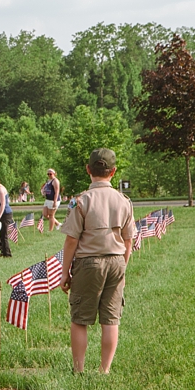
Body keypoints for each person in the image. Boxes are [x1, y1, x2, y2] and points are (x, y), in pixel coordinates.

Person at [59, 148, 135, 374]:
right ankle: (104, 370)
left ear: (88, 169)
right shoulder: (124, 200)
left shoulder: (81, 201)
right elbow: (129, 240)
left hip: (88, 262)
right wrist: (123, 264)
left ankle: (79, 369)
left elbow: (71, 240)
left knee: (80, 318)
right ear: (114, 172)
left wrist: (65, 272)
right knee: (111, 318)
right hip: (116, 260)